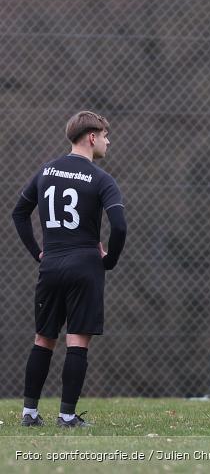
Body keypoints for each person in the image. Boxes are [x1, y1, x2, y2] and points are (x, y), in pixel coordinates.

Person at [12, 111, 127, 427]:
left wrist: (38, 253)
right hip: (85, 267)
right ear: (91, 137)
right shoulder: (102, 179)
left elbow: (18, 214)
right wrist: (110, 261)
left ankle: (30, 414)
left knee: (43, 338)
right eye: (104, 135)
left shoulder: (45, 171)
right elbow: (119, 226)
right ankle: (66, 416)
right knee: (76, 340)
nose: (107, 141)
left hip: (50, 266)